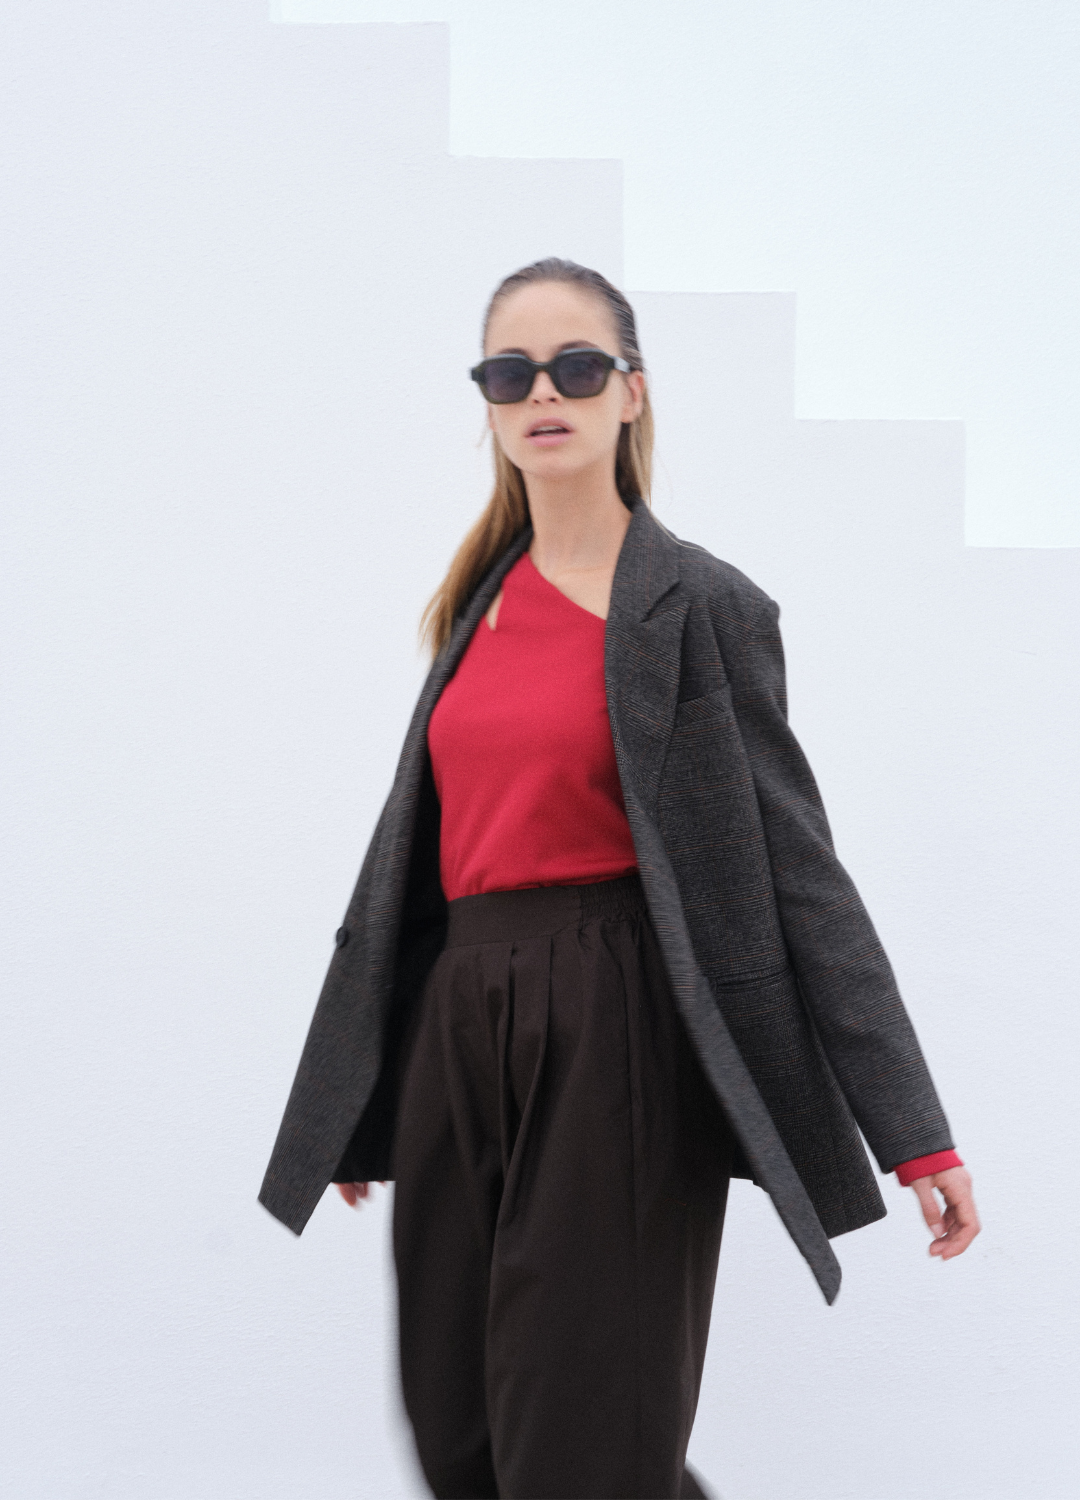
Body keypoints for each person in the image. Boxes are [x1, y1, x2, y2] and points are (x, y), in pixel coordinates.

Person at [259, 257, 980, 1500]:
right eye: (511, 373)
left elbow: (801, 872)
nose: (544, 392)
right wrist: (359, 1091)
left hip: (620, 1021)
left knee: (585, 1431)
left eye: (578, 367)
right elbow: (414, 873)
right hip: (458, 1026)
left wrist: (913, 1134)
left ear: (632, 391)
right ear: (488, 404)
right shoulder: (471, 608)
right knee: (459, 1426)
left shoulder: (701, 606)